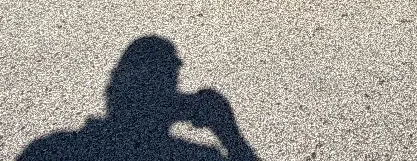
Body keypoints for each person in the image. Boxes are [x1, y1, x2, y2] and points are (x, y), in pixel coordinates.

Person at [18, 36, 259, 160]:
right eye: (172, 69)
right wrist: (230, 136)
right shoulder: (202, 155)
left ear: (112, 86)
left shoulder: (51, 147)